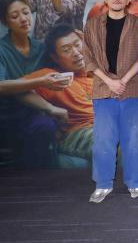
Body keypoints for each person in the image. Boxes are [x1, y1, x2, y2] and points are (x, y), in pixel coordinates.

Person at [83, 0, 138, 203]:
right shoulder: (92, 24)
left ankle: (135, 182)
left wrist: (123, 80)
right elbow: (88, 57)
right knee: (103, 140)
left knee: (134, 140)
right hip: (103, 89)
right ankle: (103, 184)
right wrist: (110, 82)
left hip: (133, 88)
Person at [0, 0, 66, 167]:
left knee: (45, 126)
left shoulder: (41, 48)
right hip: (1, 113)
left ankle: (44, 180)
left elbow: (61, 66)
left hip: (29, 112)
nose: (23, 19)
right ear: (5, 22)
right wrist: (41, 81)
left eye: (26, 12)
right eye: (15, 16)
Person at [27, 24, 94, 162]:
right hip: (80, 132)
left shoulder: (96, 71)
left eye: (77, 45)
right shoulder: (50, 77)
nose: (76, 52)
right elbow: (11, 89)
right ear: (55, 58)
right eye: (66, 50)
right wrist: (50, 108)